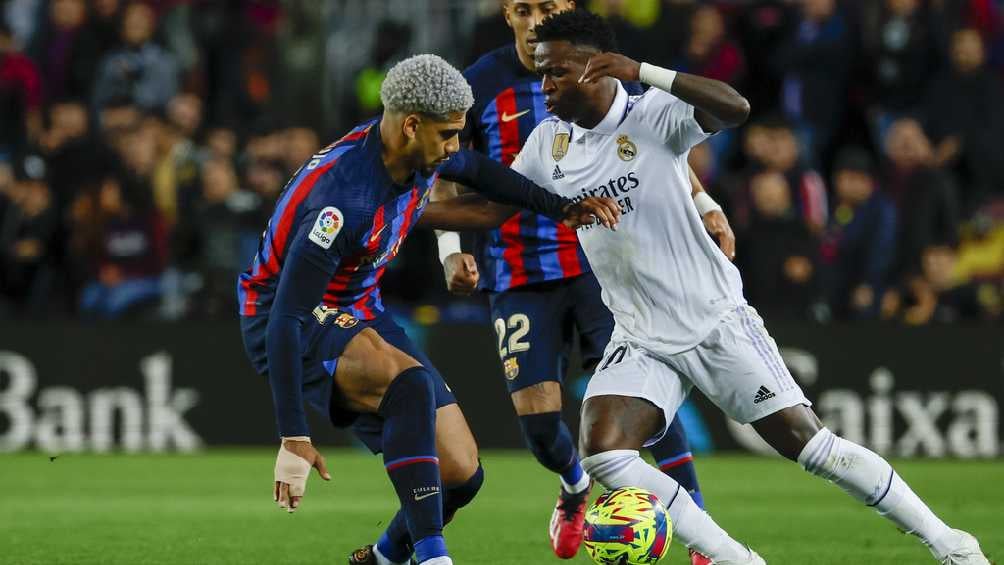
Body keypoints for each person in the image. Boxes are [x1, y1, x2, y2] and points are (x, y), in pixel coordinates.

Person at [428, 11, 989, 564]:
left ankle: (951, 544)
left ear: (595, 70)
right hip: (641, 334)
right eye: (541, 72)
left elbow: (736, 107)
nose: (543, 85)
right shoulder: (548, 143)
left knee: (813, 448)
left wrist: (642, 69)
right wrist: (409, 215)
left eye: (555, 73)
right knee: (603, 451)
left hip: (713, 321)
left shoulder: (654, 114)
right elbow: (493, 207)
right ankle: (732, 558)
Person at [236, 54, 619, 565]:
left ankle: (382, 559)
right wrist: (293, 437)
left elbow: (484, 173)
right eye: (448, 135)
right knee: (409, 385)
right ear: (412, 125)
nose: (454, 148)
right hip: (286, 316)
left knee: (461, 475)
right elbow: (285, 316)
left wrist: (561, 208)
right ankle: (436, 559)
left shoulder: (417, 151)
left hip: (358, 305)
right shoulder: (342, 199)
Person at [432, 1, 725, 561]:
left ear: (568, 7)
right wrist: (450, 248)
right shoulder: (476, 86)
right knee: (541, 430)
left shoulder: (598, 61)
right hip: (516, 272)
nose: (538, 15)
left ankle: (700, 526)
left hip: (601, 267)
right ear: (506, 13)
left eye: (550, 4)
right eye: (525, 7)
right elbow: (446, 171)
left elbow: (650, 140)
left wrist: (705, 202)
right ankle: (573, 487)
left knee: (639, 400)